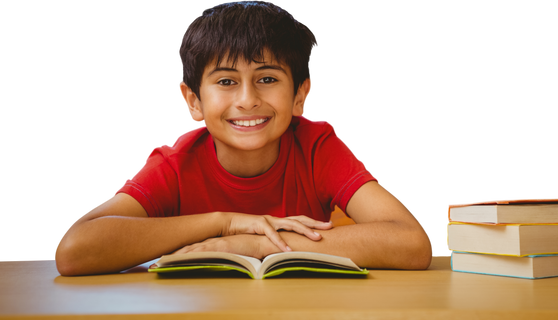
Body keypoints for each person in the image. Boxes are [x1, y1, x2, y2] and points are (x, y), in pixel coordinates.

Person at [54, 0, 434, 276]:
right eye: (226, 82)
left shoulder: (317, 145)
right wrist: (225, 224)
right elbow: (74, 251)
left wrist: (257, 244)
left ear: (301, 94)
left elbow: (412, 243)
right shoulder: (175, 161)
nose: (248, 99)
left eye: (267, 79)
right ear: (193, 101)